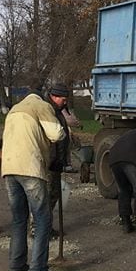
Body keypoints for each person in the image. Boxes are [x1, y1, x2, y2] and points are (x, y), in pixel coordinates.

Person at [0, 88, 67, 271]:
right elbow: (56, 134)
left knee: (19, 218)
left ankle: (16, 264)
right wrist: (63, 131)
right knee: (42, 218)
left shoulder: (14, 109)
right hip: (30, 168)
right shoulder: (42, 106)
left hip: (9, 169)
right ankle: (38, 270)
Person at [45, 83, 75, 233]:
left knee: (54, 193)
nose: (65, 102)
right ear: (54, 97)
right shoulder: (48, 111)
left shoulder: (57, 111)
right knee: (47, 195)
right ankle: (39, 228)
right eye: (63, 99)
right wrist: (53, 160)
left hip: (56, 160)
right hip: (49, 161)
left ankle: (45, 226)